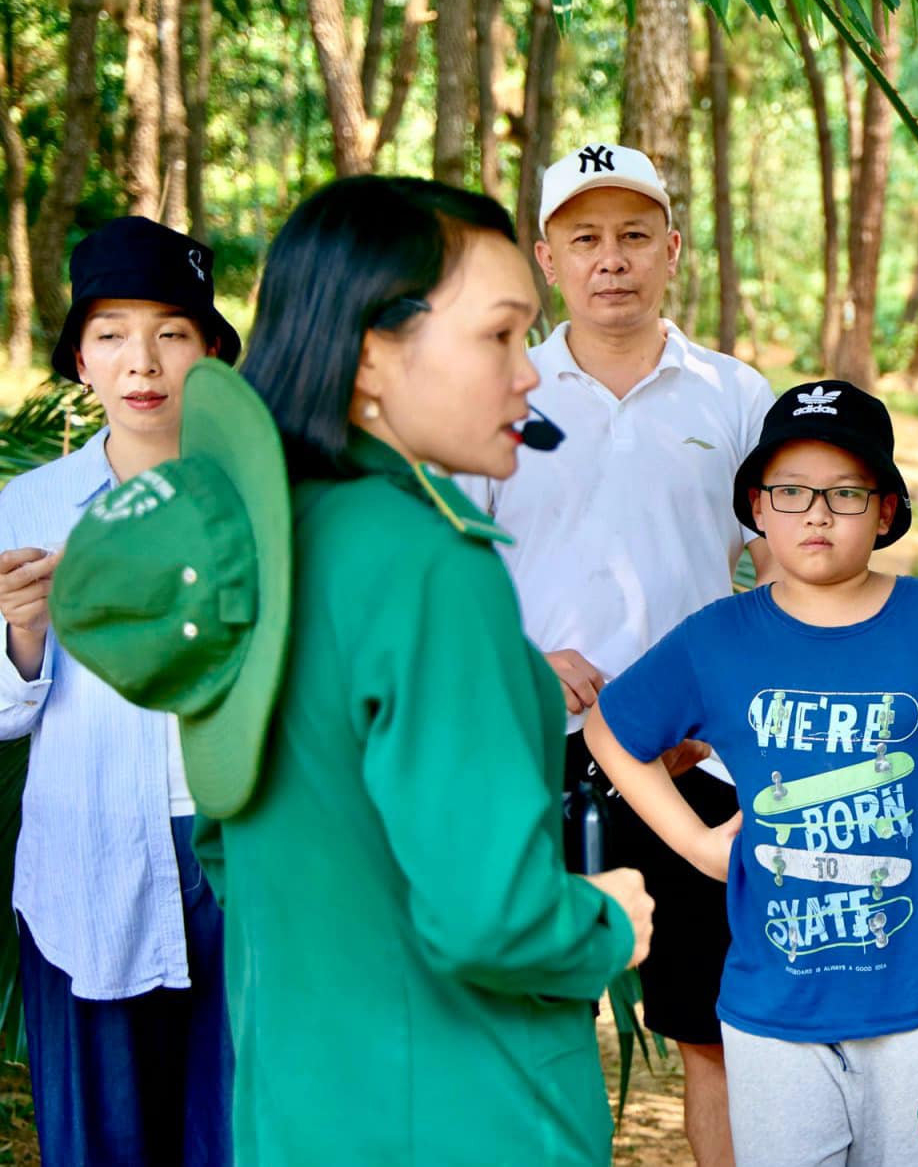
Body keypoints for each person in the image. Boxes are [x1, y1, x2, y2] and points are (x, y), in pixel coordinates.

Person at [59, 176, 656, 1164]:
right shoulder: (426, 568)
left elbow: (224, 838)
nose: (530, 376)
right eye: (499, 335)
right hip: (465, 1117)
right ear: (375, 348)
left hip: (304, 1106)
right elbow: (491, 919)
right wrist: (603, 922)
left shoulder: (266, 539)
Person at [583, 378, 918, 1167]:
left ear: (886, 511)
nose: (816, 512)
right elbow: (609, 728)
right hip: (773, 1007)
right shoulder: (717, 639)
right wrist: (695, 845)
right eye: (790, 491)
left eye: (845, 493)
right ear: (756, 507)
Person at [464, 141, 775, 1167]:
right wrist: (519, 659)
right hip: (526, 753)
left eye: (635, 235)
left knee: (713, 1031)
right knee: (523, 1022)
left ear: (672, 250)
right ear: (545, 257)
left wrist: (719, 701)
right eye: (585, 238)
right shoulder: (498, 392)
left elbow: (785, 575)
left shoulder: (733, 397)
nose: (612, 260)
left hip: (693, 765)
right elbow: (449, 569)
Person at [0, 217, 238, 1164]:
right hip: (87, 857)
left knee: (239, 1129)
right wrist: (23, 629)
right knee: (103, 1141)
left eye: (172, 332)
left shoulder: (272, 499)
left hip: (240, 850)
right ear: (81, 360)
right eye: (111, 334)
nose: (143, 362)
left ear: (212, 352)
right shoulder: (29, 507)